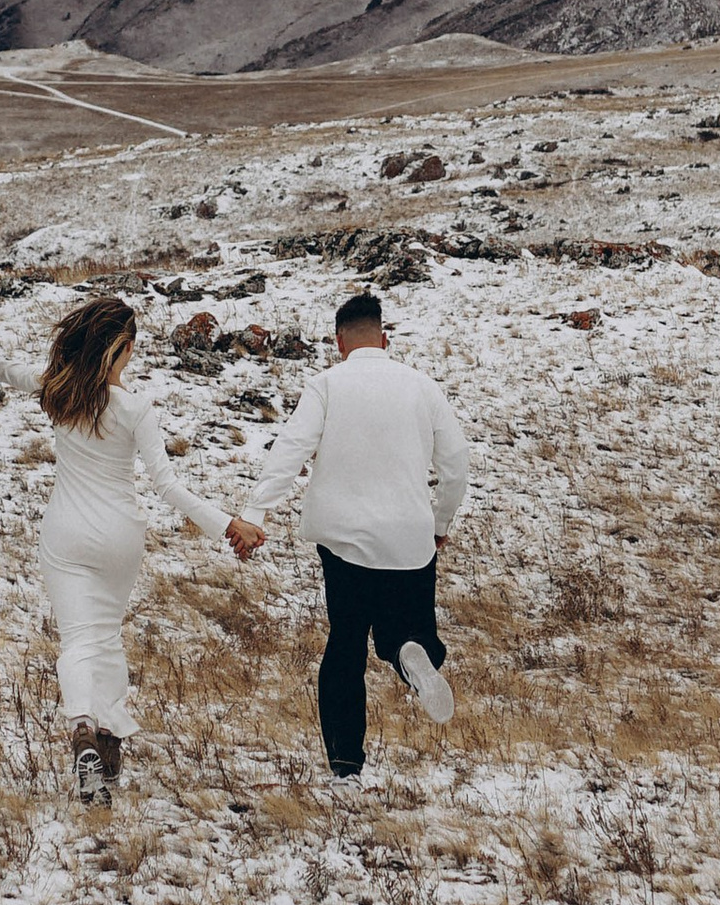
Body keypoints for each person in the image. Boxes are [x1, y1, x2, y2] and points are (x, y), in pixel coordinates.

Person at [227, 291, 469, 779]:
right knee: (409, 629)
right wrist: (440, 523)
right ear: (385, 338)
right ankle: (409, 652)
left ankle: (345, 766)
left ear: (340, 342)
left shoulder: (327, 385)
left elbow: (290, 449)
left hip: (344, 541)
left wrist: (255, 512)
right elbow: (456, 465)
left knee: (346, 642)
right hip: (409, 537)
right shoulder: (423, 387)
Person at [36, 292, 224, 806]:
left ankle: (83, 726)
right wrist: (226, 525)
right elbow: (167, 486)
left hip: (65, 532)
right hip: (120, 537)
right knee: (107, 636)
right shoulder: (137, 409)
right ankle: (109, 741)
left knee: (79, 639)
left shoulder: (57, 392)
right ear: (123, 348)